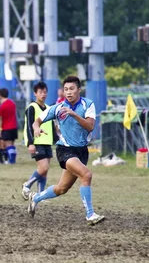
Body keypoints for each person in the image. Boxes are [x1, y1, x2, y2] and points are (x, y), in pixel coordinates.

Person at [27, 76, 105, 225]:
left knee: (61, 188)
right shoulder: (57, 108)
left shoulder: (88, 104)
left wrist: (74, 114)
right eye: (66, 89)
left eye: (72, 89)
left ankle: (35, 197)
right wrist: (37, 128)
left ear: (79, 90)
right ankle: (90, 214)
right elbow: (37, 121)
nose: (68, 92)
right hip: (65, 150)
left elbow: (90, 126)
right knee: (86, 175)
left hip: (81, 151)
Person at [21, 82, 54, 199]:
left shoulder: (49, 108)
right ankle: (27, 185)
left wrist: (56, 139)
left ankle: (40, 195)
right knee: (43, 167)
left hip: (47, 141)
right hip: (37, 142)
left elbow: (52, 126)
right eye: (40, 92)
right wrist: (30, 143)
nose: (43, 94)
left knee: (45, 170)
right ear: (35, 93)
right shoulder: (31, 107)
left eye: (45, 92)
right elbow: (29, 126)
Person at [0, 88, 18, 164]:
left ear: (0, 95)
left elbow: (1, 119)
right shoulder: (12, 103)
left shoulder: (2, 106)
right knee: (12, 144)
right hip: (14, 127)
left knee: (8, 144)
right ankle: (13, 159)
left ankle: (11, 161)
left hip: (7, 127)